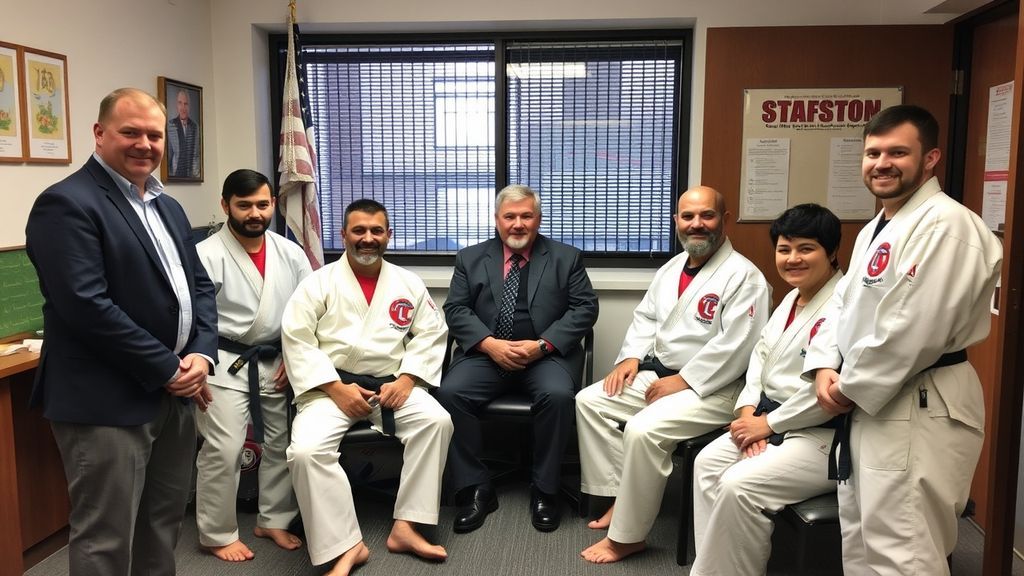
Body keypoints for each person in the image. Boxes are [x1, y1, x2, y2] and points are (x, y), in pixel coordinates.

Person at [24, 87, 218, 576]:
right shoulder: (66, 203)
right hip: (105, 401)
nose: (145, 145)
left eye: (154, 135)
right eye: (130, 132)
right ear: (99, 133)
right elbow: (85, 306)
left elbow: (199, 287)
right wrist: (168, 367)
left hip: (175, 393)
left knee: (163, 524)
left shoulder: (167, 205)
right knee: (105, 539)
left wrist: (201, 354)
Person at [807, 104, 1002, 576]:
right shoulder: (878, 227)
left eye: (898, 152)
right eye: (873, 153)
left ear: (930, 158)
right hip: (874, 401)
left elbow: (914, 327)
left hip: (918, 401)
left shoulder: (947, 225)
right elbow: (841, 304)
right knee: (863, 542)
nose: (882, 163)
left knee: (905, 551)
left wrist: (849, 386)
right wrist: (825, 364)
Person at [575, 185, 770, 563]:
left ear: (725, 220)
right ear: (676, 221)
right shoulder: (671, 268)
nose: (697, 224)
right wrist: (631, 357)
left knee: (642, 429)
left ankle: (627, 537)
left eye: (707, 215)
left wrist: (685, 381)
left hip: (715, 388)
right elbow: (646, 318)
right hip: (663, 375)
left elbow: (738, 345)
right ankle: (620, 497)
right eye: (688, 216)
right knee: (590, 401)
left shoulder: (744, 277)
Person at [282, 199, 453, 576]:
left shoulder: (408, 283)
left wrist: (407, 379)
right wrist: (335, 387)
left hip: (390, 387)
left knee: (436, 422)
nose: (368, 238)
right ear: (343, 234)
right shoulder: (318, 283)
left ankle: (407, 526)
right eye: (359, 230)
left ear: (389, 235)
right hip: (330, 389)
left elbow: (431, 333)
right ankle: (347, 545)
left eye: (377, 231)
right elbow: (296, 339)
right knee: (307, 452)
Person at [690, 203, 844, 575]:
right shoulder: (791, 298)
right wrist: (748, 414)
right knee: (707, 464)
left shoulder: (845, 304)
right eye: (784, 249)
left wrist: (768, 425)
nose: (793, 259)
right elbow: (759, 361)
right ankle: (716, 568)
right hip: (767, 419)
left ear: (832, 252)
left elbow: (828, 391)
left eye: (806, 249)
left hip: (821, 435)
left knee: (739, 485)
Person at [436, 184, 599, 534]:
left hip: (544, 357)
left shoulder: (566, 257)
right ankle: (476, 487)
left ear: (538, 219)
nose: (518, 224)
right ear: (497, 220)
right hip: (487, 356)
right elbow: (456, 309)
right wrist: (489, 344)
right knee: (450, 393)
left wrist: (543, 345)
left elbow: (585, 308)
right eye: (510, 216)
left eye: (526, 216)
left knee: (557, 396)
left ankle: (545, 490)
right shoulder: (470, 258)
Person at [194, 169, 311, 562]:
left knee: (281, 443)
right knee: (224, 448)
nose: (255, 213)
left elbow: (307, 312)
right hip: (223, 362)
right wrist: (198, 365)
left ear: (274, 204)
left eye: (262, 204)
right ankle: (216, 533)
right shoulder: (206, 255)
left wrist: (294, 356)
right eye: (244, 205)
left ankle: (273, 519)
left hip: (277, 360)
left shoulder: (290, 252)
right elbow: (195, 320)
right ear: (225, 205)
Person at [167, 88, 200, 178]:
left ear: (189, 106)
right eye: (180, 103)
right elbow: (168, 157)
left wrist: (196, 176)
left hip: (192, 177)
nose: (183, 107)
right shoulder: (170, 125)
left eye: (186, 104)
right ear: (176, 105)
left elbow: (196, 155)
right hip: (175, 176)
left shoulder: (195, 126)